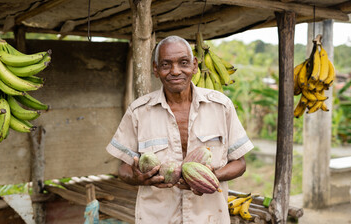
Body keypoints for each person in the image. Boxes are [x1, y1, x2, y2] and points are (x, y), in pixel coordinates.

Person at [106, 35, 254, 224]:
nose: (175, 71)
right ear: (156, 69)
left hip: (209, 218)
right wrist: (138, 178)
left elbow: (240, 163)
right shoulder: (139, 111)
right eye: (166, 65)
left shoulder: (221, 106)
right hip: (157, 218)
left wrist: (207, 178)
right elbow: (124, 168)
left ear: (194, 65)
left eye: (183, 63)